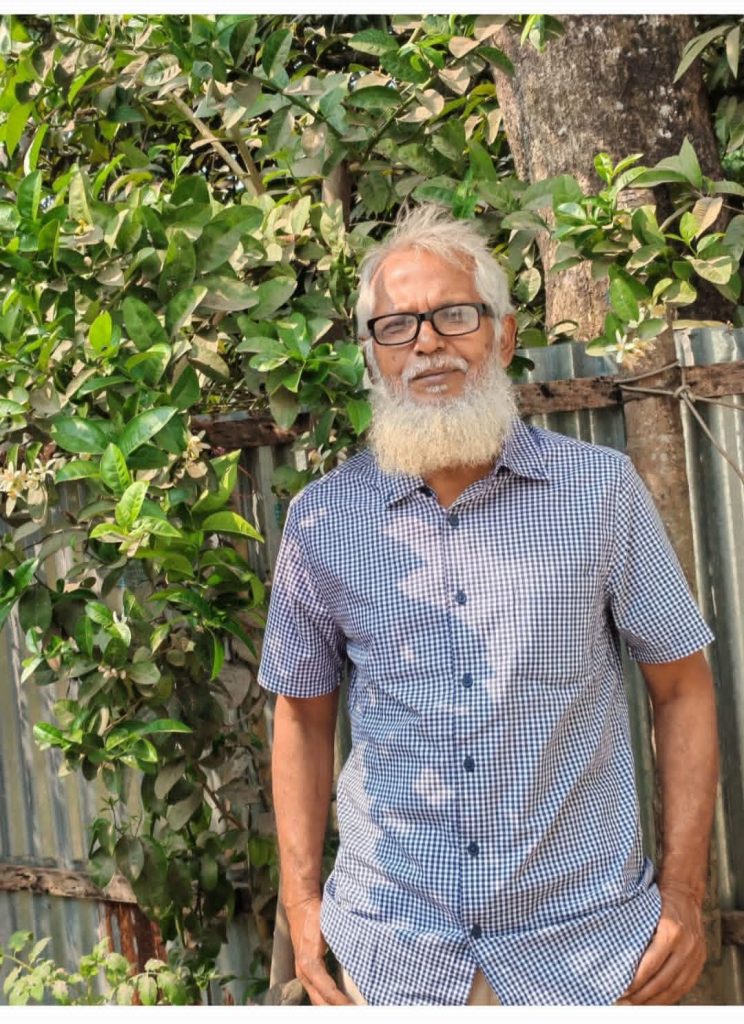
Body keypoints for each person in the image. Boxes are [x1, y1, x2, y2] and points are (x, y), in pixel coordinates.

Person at [257, 205, 719, 1006]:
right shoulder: (321, 522)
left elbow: (682, 688)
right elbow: (301, 717)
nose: (427, 342)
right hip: (390, 953)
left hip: (584, 954)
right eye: (397, 327)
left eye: (454, 316)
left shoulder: (600, 494)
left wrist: (683, 896)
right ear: (372, 358)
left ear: (502, 337)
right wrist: (303, 909)